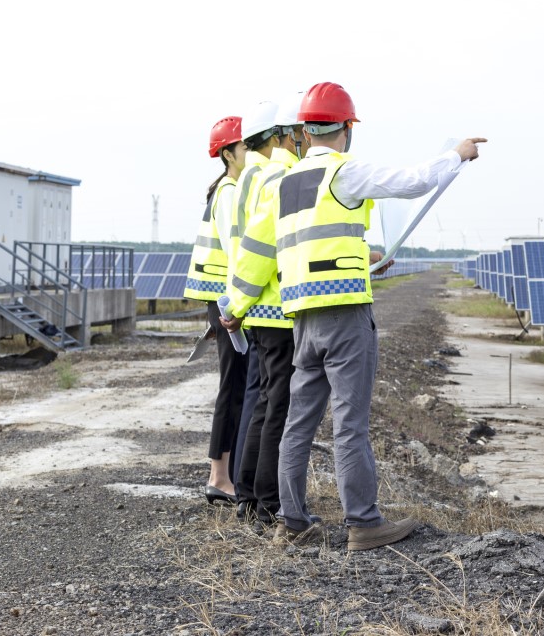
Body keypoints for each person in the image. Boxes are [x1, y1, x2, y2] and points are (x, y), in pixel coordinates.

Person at [225, 82, 485, 549]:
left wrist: (235, 306)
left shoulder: (282, 184)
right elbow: (412, 182)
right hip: (345, 317)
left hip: (301, 318)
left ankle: (291, 521)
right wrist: (458, 155)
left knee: (298, 422)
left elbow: (269, 250)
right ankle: (363, 523)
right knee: (349, 423)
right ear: (347, 128)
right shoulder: (342, 173)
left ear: (303, 130)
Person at [224, 93, 306, 531]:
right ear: (282, 137)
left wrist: (238, 302)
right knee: (277, 408)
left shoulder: (248, 179)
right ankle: (269, 503)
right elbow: (263, 248)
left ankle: (250, 496)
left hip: (255, 304)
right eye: (298, 134)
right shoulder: (276, 178)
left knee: (262, 403)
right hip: (274, 306)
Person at [183, 116, 248, 504]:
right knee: (233, 384)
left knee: (237, 383)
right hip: (225, 302)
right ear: (228, 154)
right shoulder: (227, 193)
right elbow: (238, 251)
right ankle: (219, 476)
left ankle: (224, 474)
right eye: (246, 148)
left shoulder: (227, 189)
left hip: (223, 299)